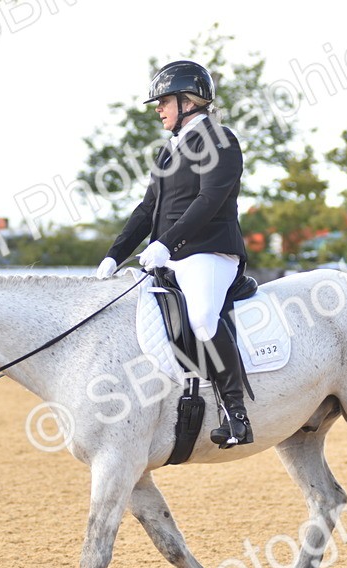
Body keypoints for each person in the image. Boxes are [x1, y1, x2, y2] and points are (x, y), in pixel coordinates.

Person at [97, 60, 253, 447]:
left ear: (188, 101)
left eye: (164, 101)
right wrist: (115, 255)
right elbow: (147, 209)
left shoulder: (220, 139)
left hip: (209, 252)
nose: (158, 109)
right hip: (169, 256)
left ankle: (236, 415)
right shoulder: (169, 151)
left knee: (202, 317)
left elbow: (210, 199)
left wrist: (166, 243)